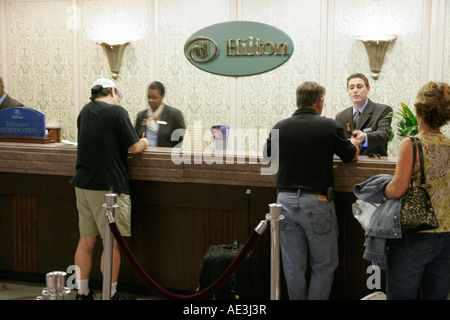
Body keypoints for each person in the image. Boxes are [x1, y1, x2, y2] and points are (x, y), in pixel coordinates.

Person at [265, 81, 360, 300]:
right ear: (320, 102)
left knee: (293, 267)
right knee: (324, 265)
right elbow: (349, 156)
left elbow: (268, 156)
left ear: (297, 101)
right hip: (317, 202)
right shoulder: (329, 126)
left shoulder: (280, 126)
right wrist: (354, 144)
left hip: (284, 202)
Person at [70, 78, 149, 300]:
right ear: (112, 91)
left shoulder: (84, 112)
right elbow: (134, 147)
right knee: (111, 244)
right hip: (108, 188)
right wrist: (145, 142)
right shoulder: (117, 112)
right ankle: (110, 295)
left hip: (82, 184)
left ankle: (83, 293)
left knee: (86, 241)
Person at [383, 81, 450, 300]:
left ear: (418, 110)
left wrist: (381, 188)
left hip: (416, 234)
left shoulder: (411, 144)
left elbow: (397, 189)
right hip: (446, 236)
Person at [335, 73, 393, 156]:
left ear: (368, 89)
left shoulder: (383, 110)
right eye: (351, 88)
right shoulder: (340, 117)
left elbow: (384, 134)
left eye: (359, 87)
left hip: (374, 164)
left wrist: (364, 137)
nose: (355, 90)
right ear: (348, 92)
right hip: (347, 165)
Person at [135, 81, 186, 148]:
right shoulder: (141, 116)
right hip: (144, 157)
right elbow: (135, 139)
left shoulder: (174, 115)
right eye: (149, 97)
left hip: (166, 157)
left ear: (162, 96)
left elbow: (181, 142)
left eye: (154, 98)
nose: (151, 100)